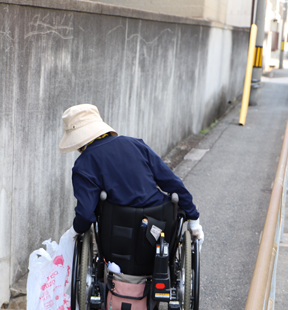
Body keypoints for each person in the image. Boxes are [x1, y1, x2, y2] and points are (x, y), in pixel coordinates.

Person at [59, 103, 204, 242]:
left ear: (78, 142)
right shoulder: (136, 144)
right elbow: (171, 182)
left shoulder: (83, 165)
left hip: (116, 231)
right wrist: (193, 217)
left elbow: (85, 213)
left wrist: (74, 231)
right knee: (174, 208)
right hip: (159, 222)